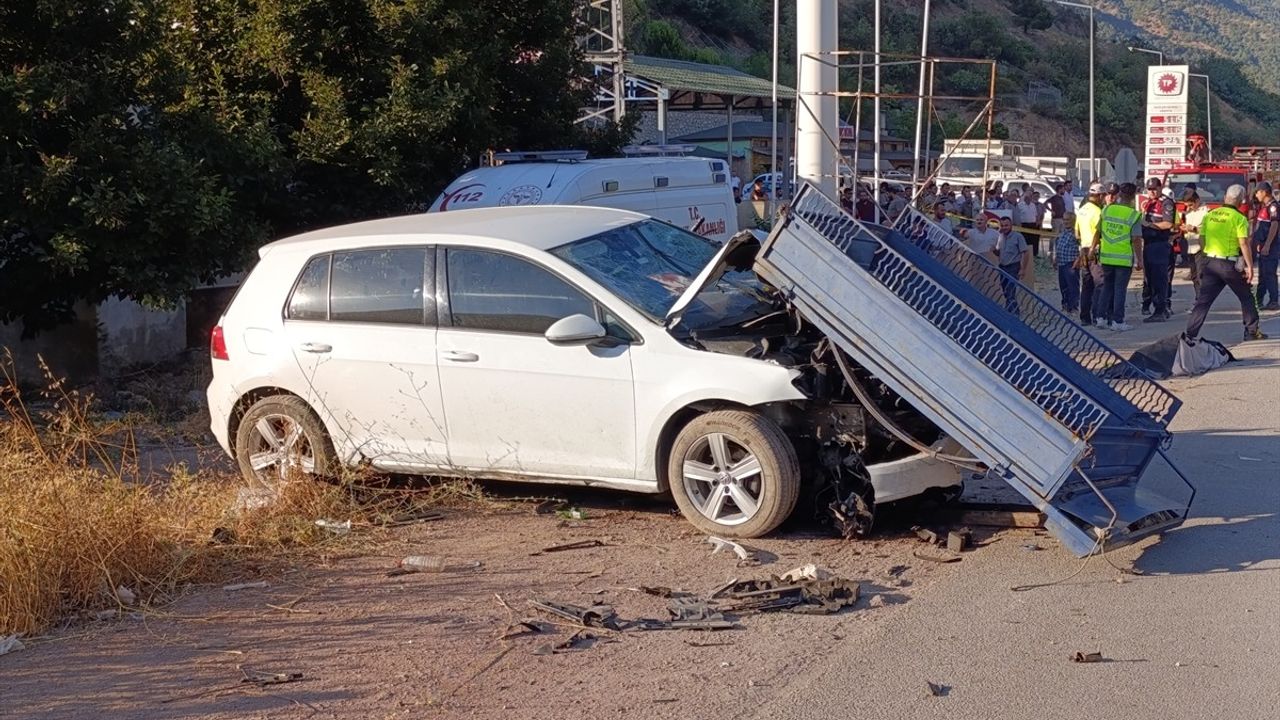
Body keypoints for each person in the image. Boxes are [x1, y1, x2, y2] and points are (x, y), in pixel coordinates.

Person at [1185, 184, 1267, 341]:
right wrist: (1250, 266)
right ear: (1242, 201)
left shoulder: (1210, 215)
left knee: (1203, 301)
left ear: (1225, 198)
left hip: (1210, 263)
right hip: (1229, 265)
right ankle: (1251, 332)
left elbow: (1202, 238)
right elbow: (1243, 243)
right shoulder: (1239, 218)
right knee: (1246, 296)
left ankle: (1190, 334)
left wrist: (1205, 256)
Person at [1093, 182, 1144, 332]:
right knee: (1120, 289)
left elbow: (1098, 231)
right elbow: (1136, 239)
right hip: (1122, 258)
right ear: (1133, 197)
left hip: (1107, 257)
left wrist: (1092, 248)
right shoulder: (1133, 215)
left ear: (1119, 195)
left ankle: (1100, 318)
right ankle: (1117, 321)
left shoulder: (1107, 210)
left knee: (1107, 287)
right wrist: (1139, 259)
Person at [1138, 177, 1176, 321]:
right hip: (1149, 244)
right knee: (1150, 279)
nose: (1152, 192)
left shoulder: (1165, 203)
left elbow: (1168, 224)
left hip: (1159, 244)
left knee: (1159, 279)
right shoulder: (1148, 203)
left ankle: (1160, 310)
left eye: (1154, 189)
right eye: (1149, 189)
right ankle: (1157, 308)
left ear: (1160, 188)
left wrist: (1149, 226)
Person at [1076, 182, 1107, 326]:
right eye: (1103, 196)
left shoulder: (1082, 210)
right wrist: (1093, 248)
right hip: (1094, 252)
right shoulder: (1098, 212)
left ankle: (1084, 317)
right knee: (1099, 285)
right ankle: (1097, 315)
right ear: (1100, 195)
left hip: (1083, 250)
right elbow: (1098, 233)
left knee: (1086, 286)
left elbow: (1077, 233)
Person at [1252, 181, 1280, 310]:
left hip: (1271, 247)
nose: (1256, 194)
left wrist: (1268, 244)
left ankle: (1274, 300)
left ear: (1264, 192)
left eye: (1257, 192)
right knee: (1262, 275)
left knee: (1269, 274)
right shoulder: (1264, 206)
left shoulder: (1273, 206)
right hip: (1263, 245)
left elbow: (1274, 225)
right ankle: (1259, 300)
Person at [995, 216, 1030, 314]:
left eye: (1006, 225)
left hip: (1013, 267)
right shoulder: (1000, 236)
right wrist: (994, 250)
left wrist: (1023, 269)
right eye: (1002, 225)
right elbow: (998, 252)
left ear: (1011, 225)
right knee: (1005, 292)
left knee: (1010, 292)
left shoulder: (1018, 236)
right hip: (1002, 267)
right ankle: (1011, 312)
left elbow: (1025, 253)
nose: (1004, 227)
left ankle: (1013, 314)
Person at [1179, 189, 1207, 297]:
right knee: (1194, 276)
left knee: (1201, 276)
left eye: (1191, 205)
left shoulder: (1206, 212)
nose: (1189, 207)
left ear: (1197, 200)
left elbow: (1209, 231)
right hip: (1190, 246)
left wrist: (1194, 229)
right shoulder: (1188, 213)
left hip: (1201, 248)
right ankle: (1198, 298)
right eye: (1187, 205)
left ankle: (1202, 301)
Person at [1054, 210, 1080, 312]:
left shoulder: (1076, 233)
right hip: (1061, 262)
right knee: (1063, 286)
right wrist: (1055, 258)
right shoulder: (1063, 232)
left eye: (1068, 220)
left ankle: (1073, 307)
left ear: (1073, 220)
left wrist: (1078, 261)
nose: (1065, 222)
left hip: (1071, 263)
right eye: (1064, 219)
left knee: (1072, 286)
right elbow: (1059, 246)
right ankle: (1065, 305)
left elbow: (1081, 248)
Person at [1015, 191, 1040, 256]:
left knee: (1033, 241)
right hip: (1024, 225)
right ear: (1025, 198)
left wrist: (1037, 222)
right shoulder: (1020, 205)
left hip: (1033, 225)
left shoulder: (1033, 205)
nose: (1030, 198)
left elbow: (1036, 215)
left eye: (1031, 197)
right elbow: (1017, 215)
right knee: (1025, 241)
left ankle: (1034, 254)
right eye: (1028, 197)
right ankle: (1024, 254)